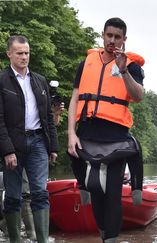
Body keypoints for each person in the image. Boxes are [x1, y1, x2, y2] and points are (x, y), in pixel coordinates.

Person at [67, 17, 144, 243]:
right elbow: (74, 99)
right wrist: (71, 133)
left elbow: (138, 96)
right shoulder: (87, 62)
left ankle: (110, 239)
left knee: (112, 195)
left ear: (124, 39)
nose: (112, 40)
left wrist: (123, 72)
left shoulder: (132, 66)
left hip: (116, 141)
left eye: (117, 37)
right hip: (87, 137)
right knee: (94, 190)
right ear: (103, 35)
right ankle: (104, 236)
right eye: (109, 35)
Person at [0, 35, 59, 243]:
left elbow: (48, 118)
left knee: (40, 194)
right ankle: (15, 240)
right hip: (13, 145)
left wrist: (53, 146)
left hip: (37, 142)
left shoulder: (39, 80)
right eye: (19, 53)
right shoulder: (2, 80)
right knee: (14, 196)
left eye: (26, 53)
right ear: (9, 54)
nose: (24, 57)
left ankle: (42, 240)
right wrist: (7, 150)